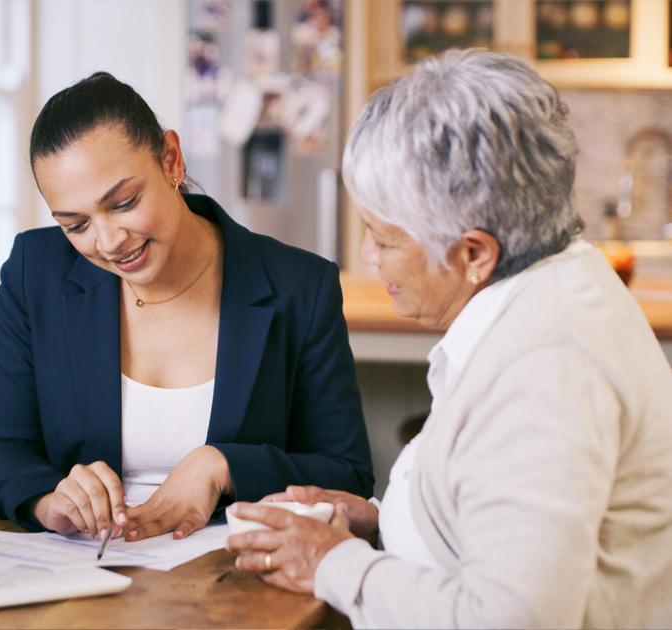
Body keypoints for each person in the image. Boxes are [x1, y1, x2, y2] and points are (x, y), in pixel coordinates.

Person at [226, 49, 672, 628]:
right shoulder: (552, 286)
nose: (366, 255)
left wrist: (337, 564)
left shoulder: (545, 370)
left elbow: (510, 618)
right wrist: (380, 522)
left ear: (474, 253)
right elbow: (500, 522)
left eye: (383, 239)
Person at [0, 72, 374, 544]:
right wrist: (48, 499)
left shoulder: (300, 286)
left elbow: (348, 475)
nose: (109, 242)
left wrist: (223, 465)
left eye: (124, 202)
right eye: (75, 225)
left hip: (235, 579)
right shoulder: (33, 272)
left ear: (171, 160)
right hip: (85, 575)